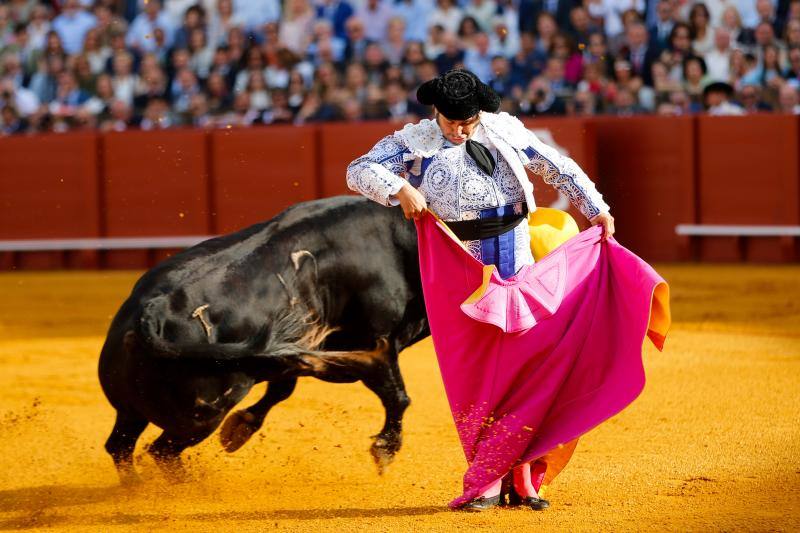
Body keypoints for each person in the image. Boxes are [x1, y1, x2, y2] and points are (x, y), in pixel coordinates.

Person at [346, 69, 622, 510]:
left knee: (529, 368)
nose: (460, 131)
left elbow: (559, 168)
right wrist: (398, 186)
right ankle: (487, 478)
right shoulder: (415, 142)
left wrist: (597, 210)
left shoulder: (504, 129)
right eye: (452, 122)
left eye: (468, 122)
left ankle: (526, 476)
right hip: (462, 269)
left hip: (518, 262)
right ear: (435, 112)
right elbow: (358, 170)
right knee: (479, 375)